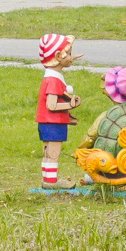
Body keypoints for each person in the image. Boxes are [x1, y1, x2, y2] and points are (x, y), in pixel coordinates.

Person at [34, 34, 80, 189]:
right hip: (53, 122)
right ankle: (51, 182)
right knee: (53, 152)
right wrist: (70, 105)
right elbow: (51, 106)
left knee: (47, 152)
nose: (72, 57)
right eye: (70, 53)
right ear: (59, 56)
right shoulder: (53, 80)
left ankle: (47, 179)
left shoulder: (50, 77)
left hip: (45, 122)